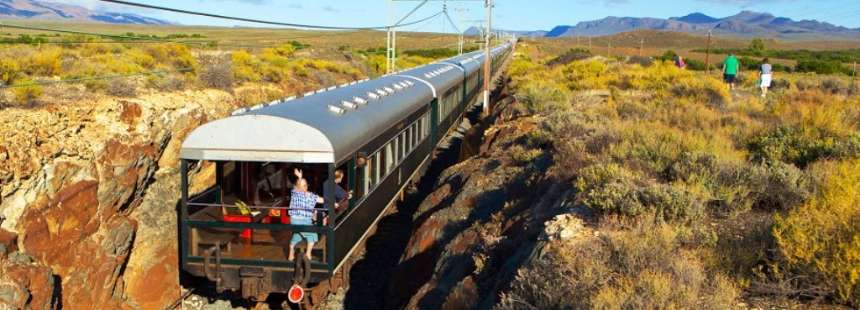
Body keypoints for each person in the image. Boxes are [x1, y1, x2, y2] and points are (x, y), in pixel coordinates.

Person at [287, 168, 324, 261]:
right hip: (302, 220)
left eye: (305, 185)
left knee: (298, 234)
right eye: (302, 185)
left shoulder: (302, 194)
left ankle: (291, 251)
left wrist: (299, 177)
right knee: (312, 234)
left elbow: (322, 200)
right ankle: (308, 254)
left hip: (295, 221)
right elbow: (322, 200)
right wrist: (300, 177)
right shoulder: (301, 194)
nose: (304, 187)